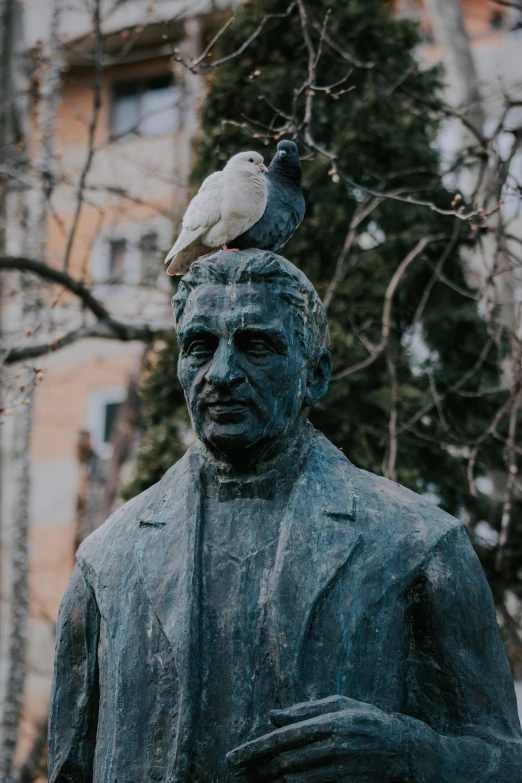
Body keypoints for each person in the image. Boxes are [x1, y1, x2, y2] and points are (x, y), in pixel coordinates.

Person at [49, 249, 522, 782]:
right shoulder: (106, 562)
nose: (221, 373)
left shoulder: (419, 545)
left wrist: (409, 754)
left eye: (257, 347)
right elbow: (69, 766)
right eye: (200, 347)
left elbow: (507, 760)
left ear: (315, 375)